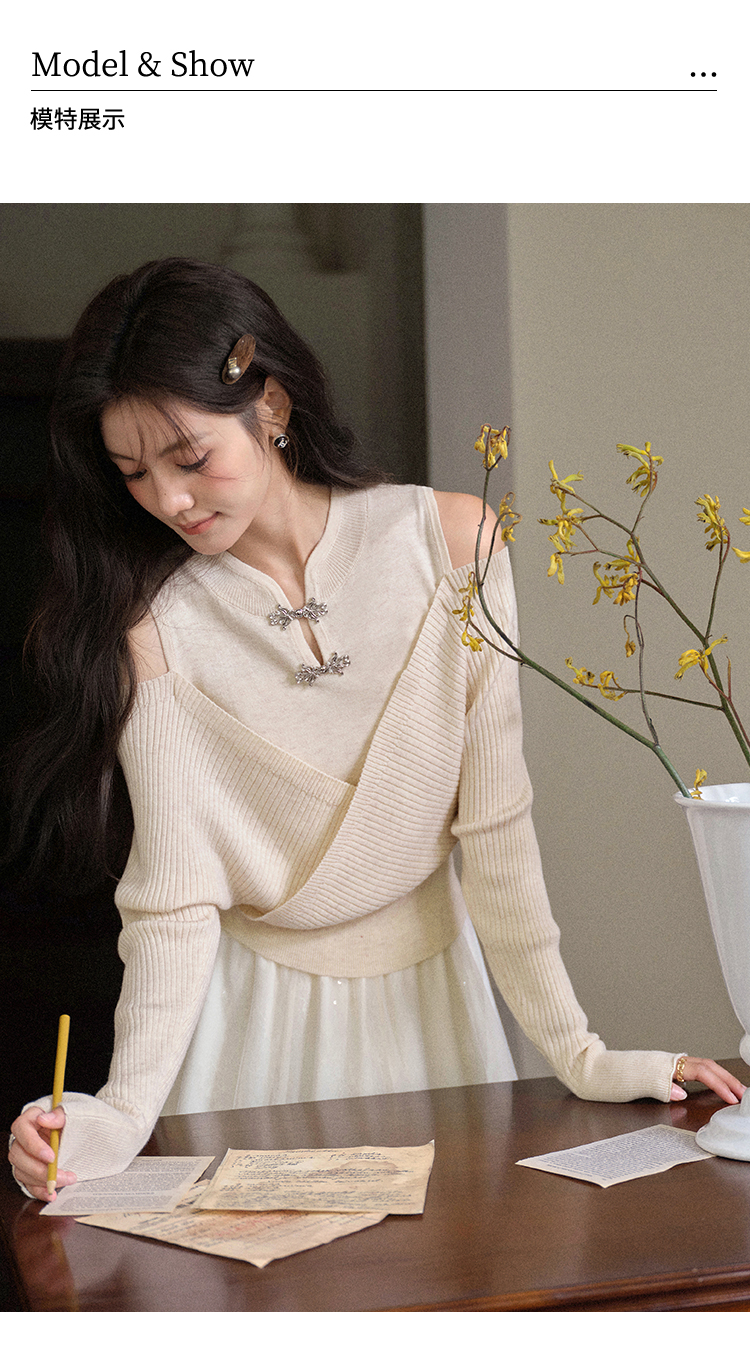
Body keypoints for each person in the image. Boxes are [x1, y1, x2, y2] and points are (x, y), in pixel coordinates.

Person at [7, 258, 744, 1202]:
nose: (168, 500)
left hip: (439, 1008)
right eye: (133, 474)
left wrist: (581, 1053)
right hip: (248, 1033)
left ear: (271, 405)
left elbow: (497, 832)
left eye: (188, 459)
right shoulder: (153, 627)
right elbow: (174, 900)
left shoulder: (453, 545)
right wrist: (118, 1113)